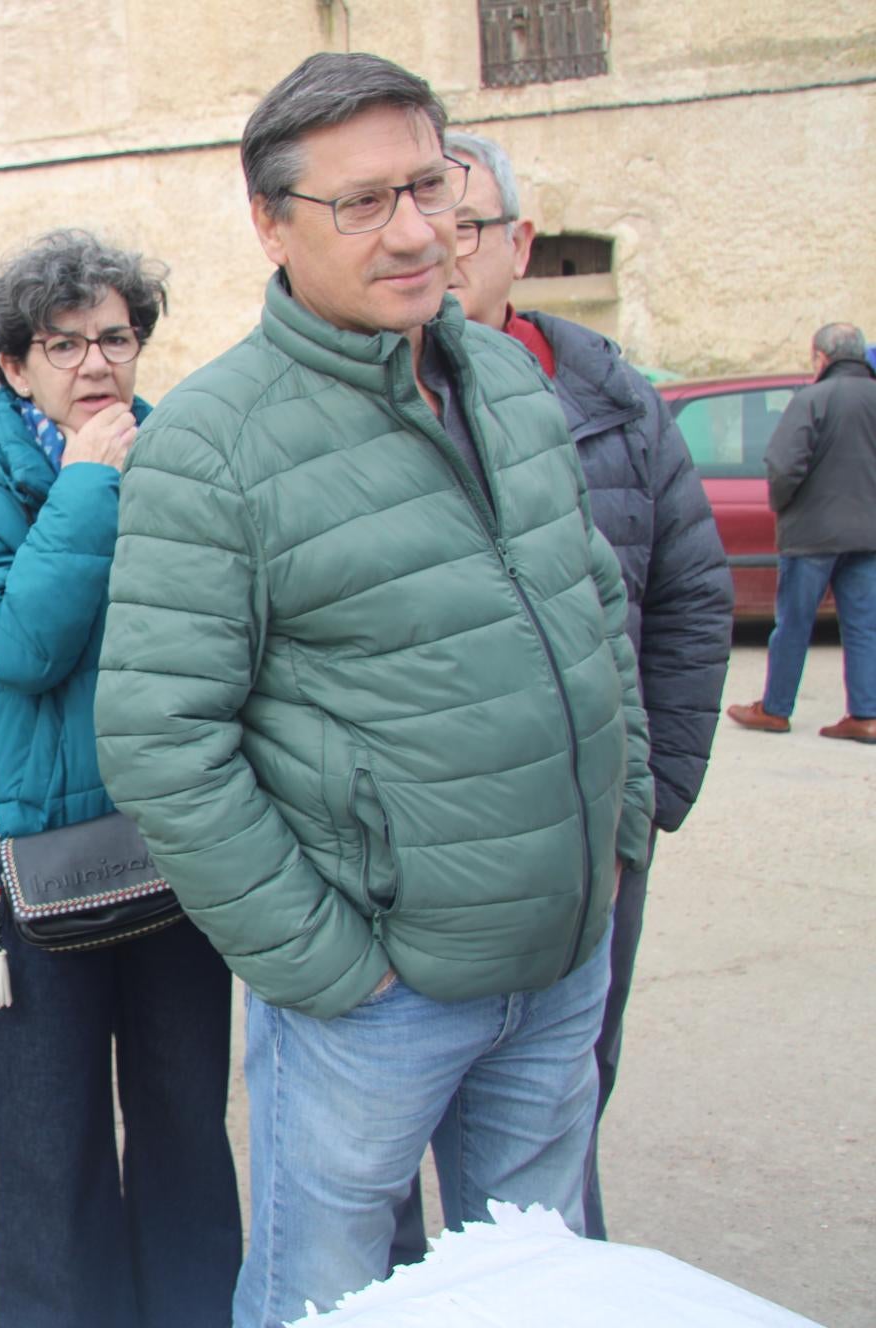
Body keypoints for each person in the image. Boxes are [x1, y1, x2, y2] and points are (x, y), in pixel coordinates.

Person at [91, 54, 652, 1327]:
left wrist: (619, 830)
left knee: (539, 1292)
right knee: (320, 1300)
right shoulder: (215, 440)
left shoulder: (509, 381)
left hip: (560, 959)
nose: (412, 232)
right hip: (378, 995)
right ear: (270, 224)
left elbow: (591, 600)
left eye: (427, 186)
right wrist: (327, 962)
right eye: (361, 203)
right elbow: (161, 733)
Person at [0, 229, 243, 1325]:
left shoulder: (186, 450)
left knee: (185, 1122)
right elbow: (16, 649)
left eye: (115, 336)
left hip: (183, 840)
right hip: (41, 864)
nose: (96, 363)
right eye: (63, 344)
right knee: (51, 1150)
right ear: (13, 365)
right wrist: (88, 485)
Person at [423, 128, 735, 1246]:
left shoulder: (610, 396)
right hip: (434, 833)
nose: (439, 248)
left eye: (466, 226)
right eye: (420, 219)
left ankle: (554, 1270)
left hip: (598, 815)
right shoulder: (360, 401)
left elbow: (693, 598)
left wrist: (653, 796)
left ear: (518, 243)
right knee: (397, 1105)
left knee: (560, 1094)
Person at [725, 322, 876, 743]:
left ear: (821, 358)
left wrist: (782, 504)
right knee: (865, 625)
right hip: (868, 535)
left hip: (811, 534)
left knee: (793, 623)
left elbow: (782, 464)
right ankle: (866, 714)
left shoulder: (812, 399)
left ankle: (775, 708)